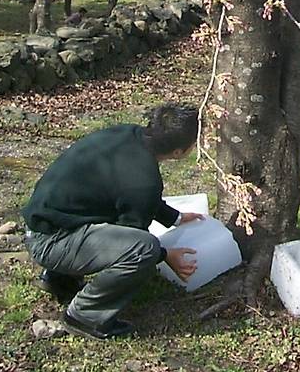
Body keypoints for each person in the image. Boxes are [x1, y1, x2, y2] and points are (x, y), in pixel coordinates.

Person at [23, 103, 203, 339]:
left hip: (42, 222)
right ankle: (86, 316)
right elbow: (129, 238)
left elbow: (129, 192)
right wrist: (165, 254)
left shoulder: (125, 134)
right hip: (50, 242)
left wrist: (176, 218)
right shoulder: (145, 181)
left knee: (96, 208)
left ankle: (58, 279)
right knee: (144, 248)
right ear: (179, 152)